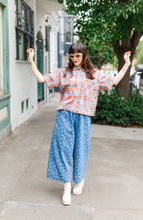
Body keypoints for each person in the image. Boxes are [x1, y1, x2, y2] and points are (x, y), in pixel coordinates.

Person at [27, 42, 131, 206]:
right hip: (65, 115)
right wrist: (31, 61)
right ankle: (66, 187)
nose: (75, 59)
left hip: (83, 117)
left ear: (84, 55)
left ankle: (79, 179)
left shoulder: (94, 74)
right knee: (63, 150)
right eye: (72, 56)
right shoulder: (64, 73)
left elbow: (115, 81)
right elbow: (42, 79)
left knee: (81, 149)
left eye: (78, 55)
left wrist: (126, 64)